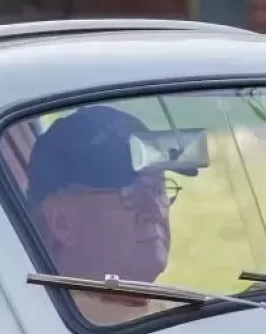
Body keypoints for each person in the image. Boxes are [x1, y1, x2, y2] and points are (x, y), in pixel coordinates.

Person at [26, 106, 178, 316]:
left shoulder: (178, 313)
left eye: (158, 189)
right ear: (63, 223)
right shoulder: (40, 332)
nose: (153, 211)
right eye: (130, 193)